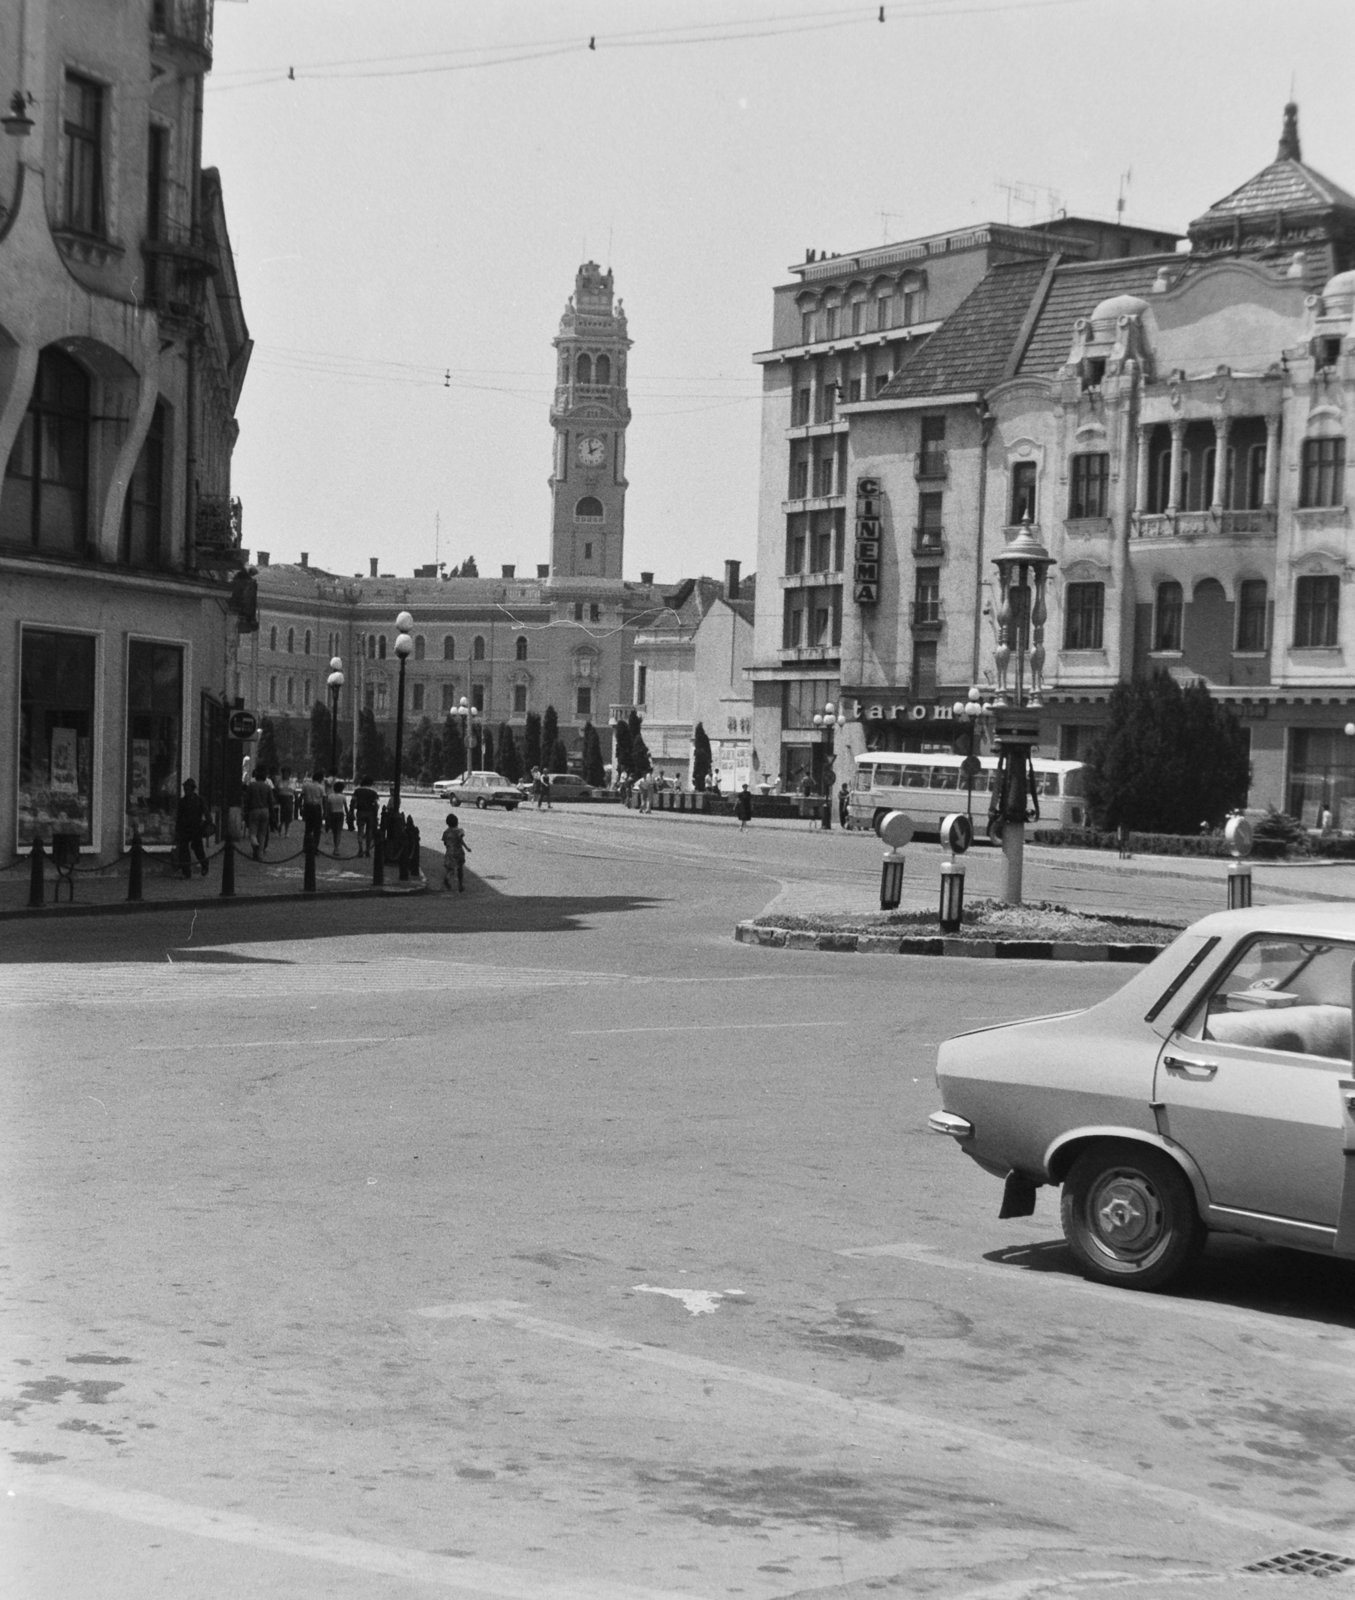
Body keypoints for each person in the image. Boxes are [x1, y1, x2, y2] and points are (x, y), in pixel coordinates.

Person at [175, 778, 210, 878]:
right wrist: (177, 831)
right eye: (185, 788)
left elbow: (207, 815)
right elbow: (179, 817)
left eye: (188, 788)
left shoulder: (199, 800)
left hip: (196, 828)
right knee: (184, 850)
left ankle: (204, 866)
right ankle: (186, 872)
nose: (186, 790)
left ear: (192, 789)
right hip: (184, 829)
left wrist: (205, 825)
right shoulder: (182, 802)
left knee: (198, 849)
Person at [244, 769, 272, 860]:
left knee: (252, 831)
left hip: (254, 810)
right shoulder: (267, 787)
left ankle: (255, 843)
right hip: (265, 810)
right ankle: (260, 854)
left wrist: (245, 811)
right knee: (262, 833)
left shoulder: (251, 786)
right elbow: (271, 801)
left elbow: (247, 800)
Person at [350, 774, 379, 856]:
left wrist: (351, 812)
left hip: (360, 812)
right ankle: (367, 850)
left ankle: (360, 849)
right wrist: (376, 815)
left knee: (360, 831)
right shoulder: (373, 792)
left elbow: (353, 802)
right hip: (370, 813)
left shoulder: (357, 791)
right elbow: (376, 804)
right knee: (369, 832)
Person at [441, 811, 470, 892]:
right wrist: (467, 848)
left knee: (450, 868)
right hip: (458, 852)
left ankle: (447, 877)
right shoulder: (459, 831)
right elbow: (461, 840)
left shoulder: (446, 832)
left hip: (449, 852)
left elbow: (445, 842)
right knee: (460, 868)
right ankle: (460, 885)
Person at [300, 770, 326, 850]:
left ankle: (305, 846)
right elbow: (324, 799)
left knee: (308, 828)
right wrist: (325, 811)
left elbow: (301, 797)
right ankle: (315, 847)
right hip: (316, 807)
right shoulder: (321, 787)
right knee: (317, 829)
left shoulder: (306, 785)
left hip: (307, 806)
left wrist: (300, 807)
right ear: (320, 779)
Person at [325, 779, 348, 851]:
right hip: (340, 814)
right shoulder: (343, 796)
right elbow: (345, 807)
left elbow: (328, 807)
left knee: (334, 831)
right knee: (338, 831)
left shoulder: (330, 796)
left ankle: (335, 844)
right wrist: (348, 815)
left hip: (332, 814)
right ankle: (336, 847)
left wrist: (326, 815)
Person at [275, 768, 296, 837]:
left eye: (287, 773)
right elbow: (277, 789)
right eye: (284, 773)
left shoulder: (292, 782)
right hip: (280, 799)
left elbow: (293, 790)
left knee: (288, 816)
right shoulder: (278, 781)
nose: (285, 775)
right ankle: (280, 828)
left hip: (289, 799)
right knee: (280, 815)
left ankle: (286, 831)